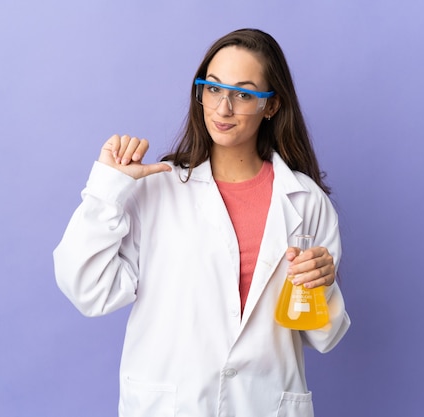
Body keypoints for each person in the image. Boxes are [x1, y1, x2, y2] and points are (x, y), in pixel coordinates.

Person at [53, 28, 350, 417]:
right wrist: (107, 189)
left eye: (243, 94)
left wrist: (322, 285)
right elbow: (87, 290)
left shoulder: (305, 201)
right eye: (212, 88)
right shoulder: (158, 190)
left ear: (272, 106)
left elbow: (322, 338)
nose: (223, 108)